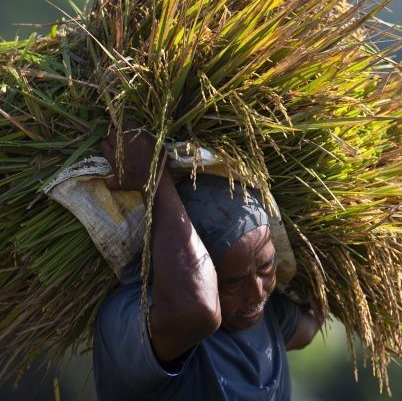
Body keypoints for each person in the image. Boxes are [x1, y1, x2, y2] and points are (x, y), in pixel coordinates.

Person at [93, 124, 322, 400]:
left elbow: (308, 328)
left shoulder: (262, 315)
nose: (257, 293)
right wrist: (152, 179)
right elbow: (197, 309)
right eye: (232, 282)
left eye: (266, 267)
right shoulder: (129, 319)